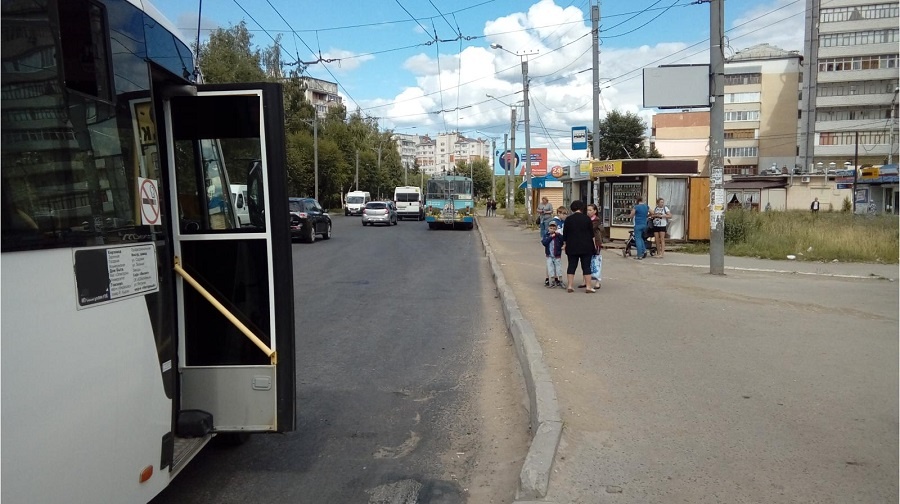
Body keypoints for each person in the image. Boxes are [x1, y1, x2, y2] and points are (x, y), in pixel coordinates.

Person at [561, 200, 596, 293]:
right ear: (582, 208)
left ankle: (570, 286)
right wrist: (594, 246)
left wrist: (565, 244)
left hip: (572, 245)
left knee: (571, 265)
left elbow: (565, 234)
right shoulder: (587, 219)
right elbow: (592, 234)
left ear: (572, 208)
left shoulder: (568, 219)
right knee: (586, 266)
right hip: (586, 246)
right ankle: (588, 287)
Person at [541, 221, 565, 288]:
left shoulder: (558, 236)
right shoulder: (546, 235)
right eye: (551, 228)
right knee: (550, 268)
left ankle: (560, 280)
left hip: (557, 255)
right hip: (549, 255)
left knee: (558, 268)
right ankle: (552, 281)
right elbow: (544, 243)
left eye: (554, 228)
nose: (552, 230)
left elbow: (563, 240)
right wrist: (551, 237)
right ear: (548, 228)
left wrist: (558, 235)